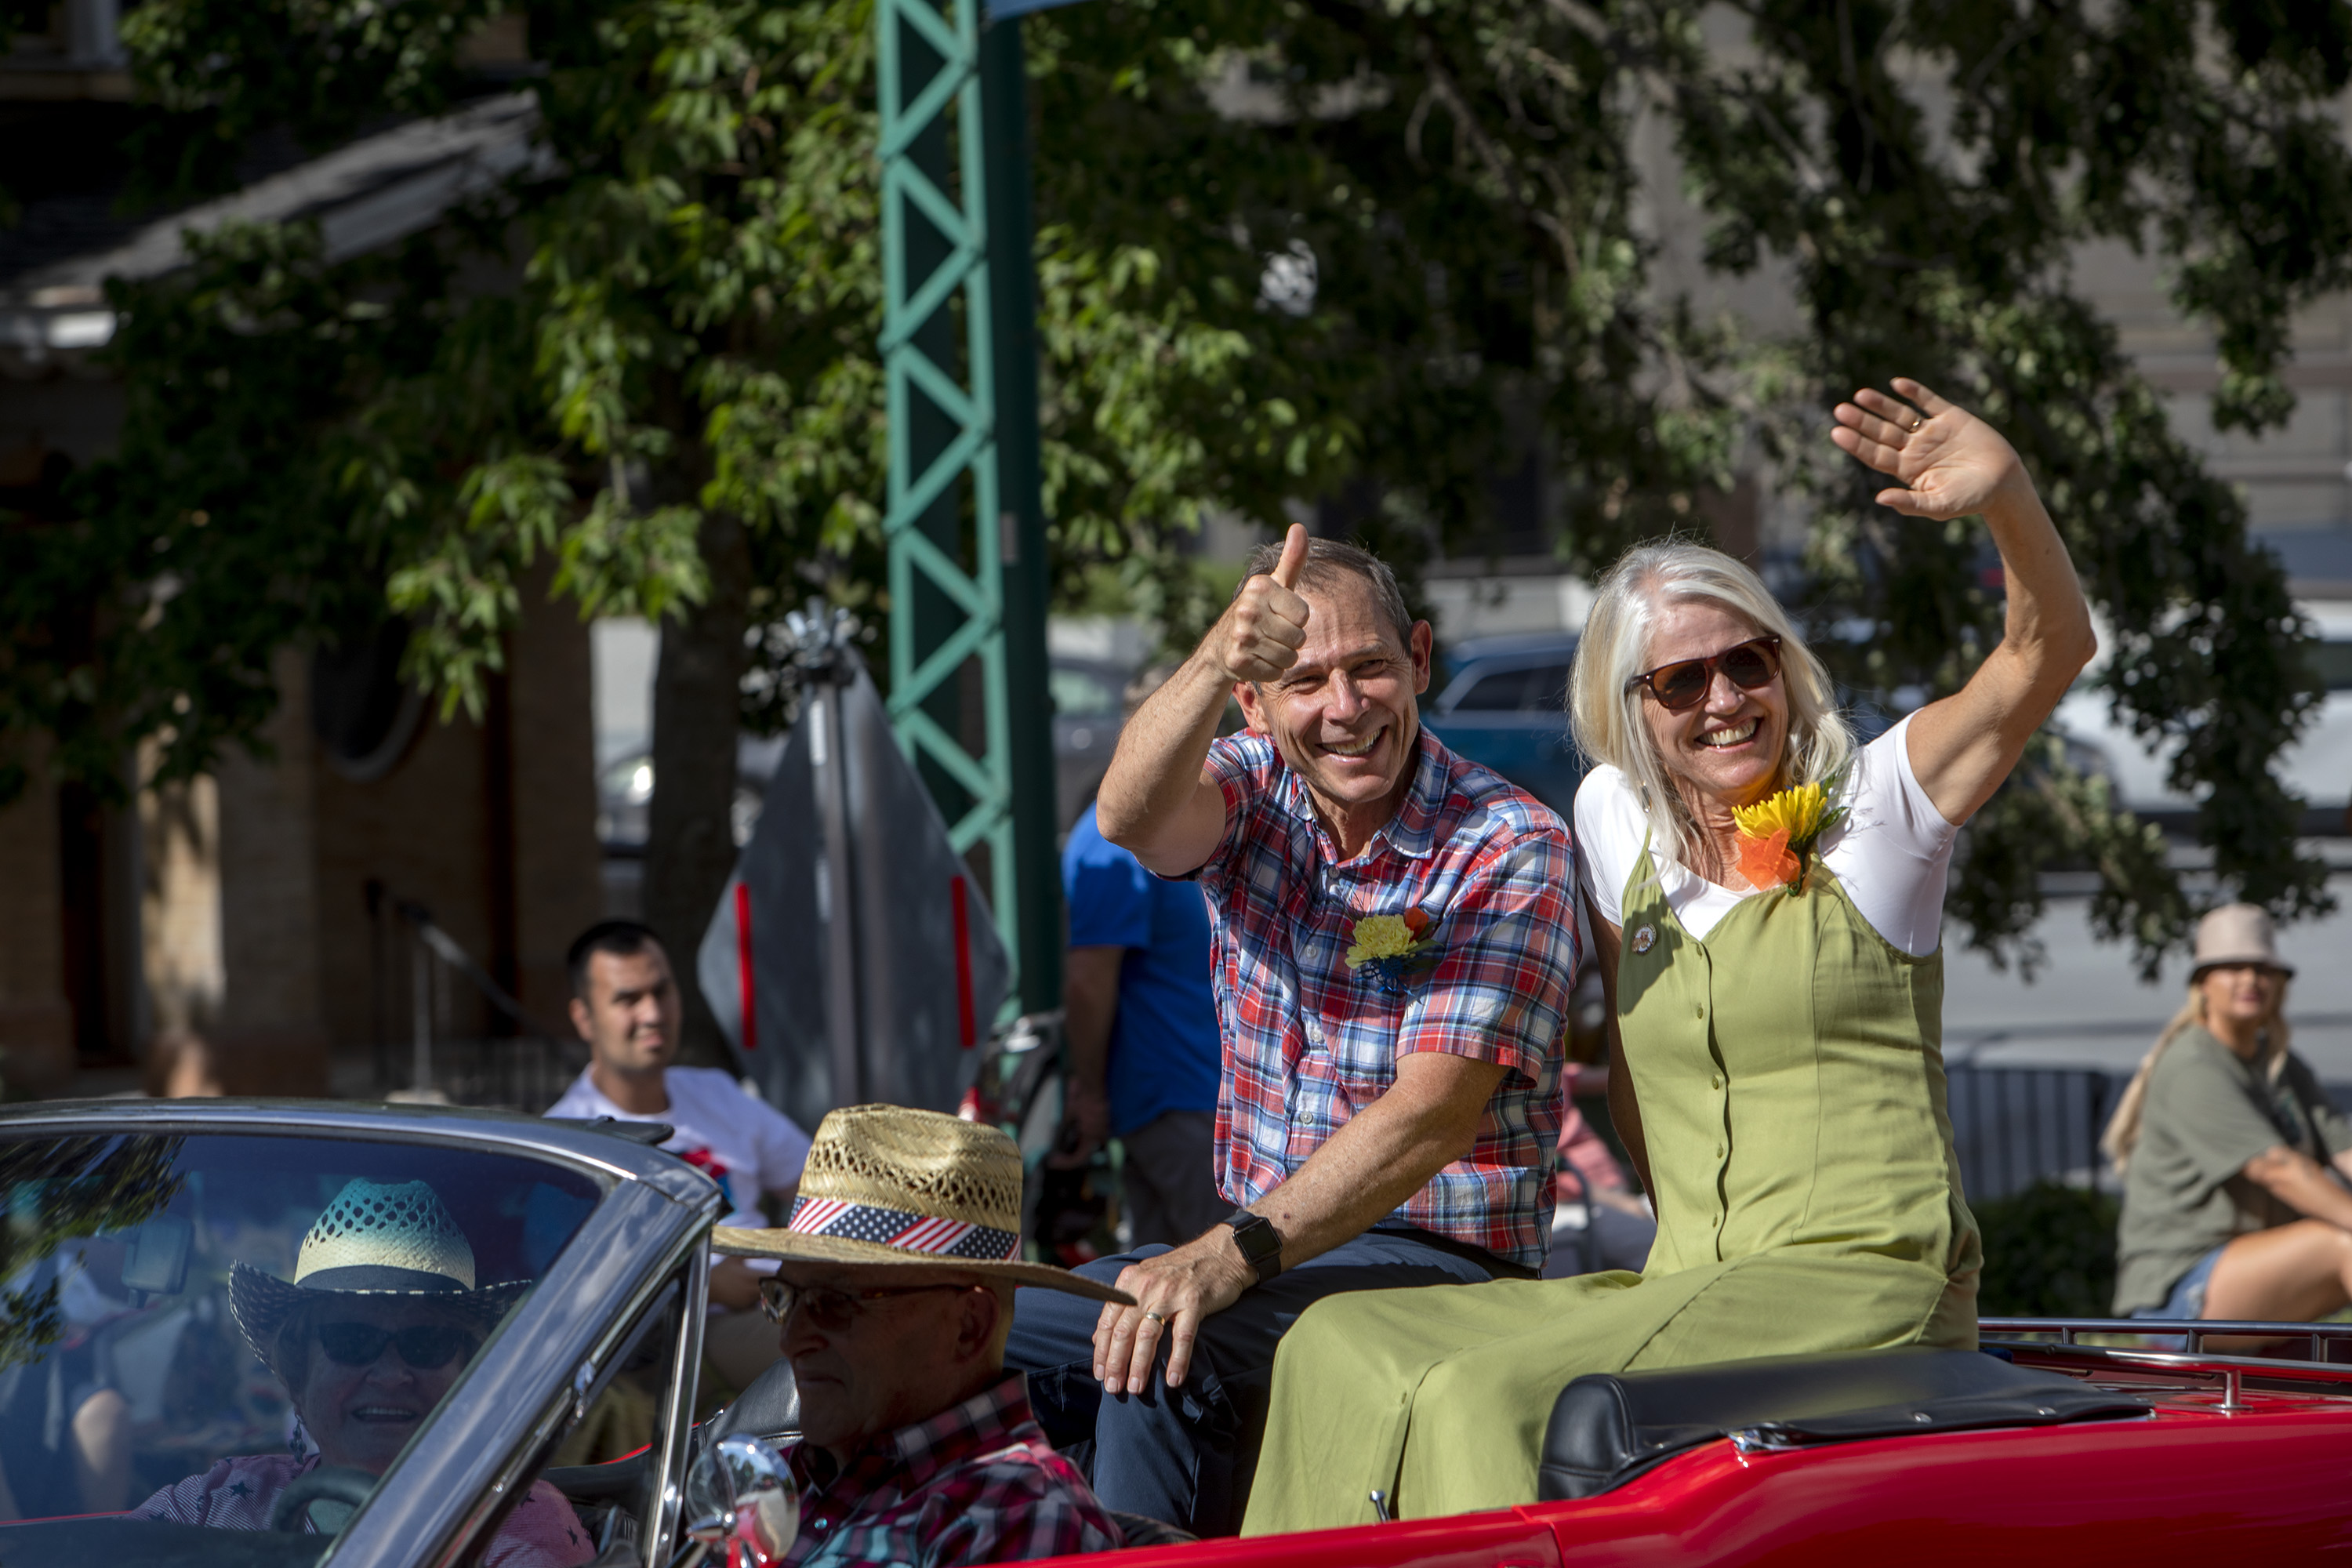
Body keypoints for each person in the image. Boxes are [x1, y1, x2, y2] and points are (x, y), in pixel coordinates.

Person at [1240, 376, 2099, 1532]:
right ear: (1630, 705)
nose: (1724, 700)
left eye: (1747, 662)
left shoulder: (1878, 809)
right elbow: (1636, 1077)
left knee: (1492, 1398)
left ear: (1782, 665)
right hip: (1692, 1276)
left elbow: (2048, 648)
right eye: (1680, 680)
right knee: (1339, 1337)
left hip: (1861, 1283)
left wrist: (2009, 502)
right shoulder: (1612, 822)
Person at [1004, 530, 1578, 1535]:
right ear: (1256, 705)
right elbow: (1131, 816)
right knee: (1140, 1348)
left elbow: (1430, 1118)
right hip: (1269, 1247)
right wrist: (1216, 654)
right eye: (1305, 679)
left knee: (991, 1311)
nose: (1346, 707)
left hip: (1444, 1267)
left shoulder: (1509, 841)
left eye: (1370, 668)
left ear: (1422, 661)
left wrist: (1228, 1254)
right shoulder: (1254, 784)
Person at [713, 1105, 1130, 1566]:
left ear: (968, 1326)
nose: (792, 1340)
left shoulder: (1015, 1514)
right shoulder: (792, 1477)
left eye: (834, 1303)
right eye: (784, 1297)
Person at [135, 1178, 590, 1568]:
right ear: (298, 1375)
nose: (391, 1375)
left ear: (467, 1374)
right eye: (351, 1341)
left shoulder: (520, 1523)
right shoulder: (217, 1501)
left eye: (427, 1342)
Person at [546, 919, 812, 1392]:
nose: (652, 1013)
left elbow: (817, 1181)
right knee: (834, 1351)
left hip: (784, 1297)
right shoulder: (567, 1138)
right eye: (628, 999)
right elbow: (572, 1295)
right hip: (683, 1334)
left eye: (662, 991)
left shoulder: (715, 1092)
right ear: (584, 1018)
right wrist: (705, 1285)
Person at [2106, 903, 2352, 1328]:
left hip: (2252, 1269)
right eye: (2232, 967)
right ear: (2203, 983)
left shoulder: (2281, 1065)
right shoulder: (2193, 1065)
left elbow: (2345, 1150)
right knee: (2341, 1246)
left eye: (2262, 968)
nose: (2250, 980)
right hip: (2179, 1288)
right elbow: (2278, 1169)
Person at [1060, 662, 1225, 1247]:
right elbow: (1088, 981)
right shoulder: (1108, 846)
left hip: (1198, 1099)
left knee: (1170, 1292)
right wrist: (1091, 1092)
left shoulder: (1200, 821)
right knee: (1218, 1282)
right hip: (1176, 1102)